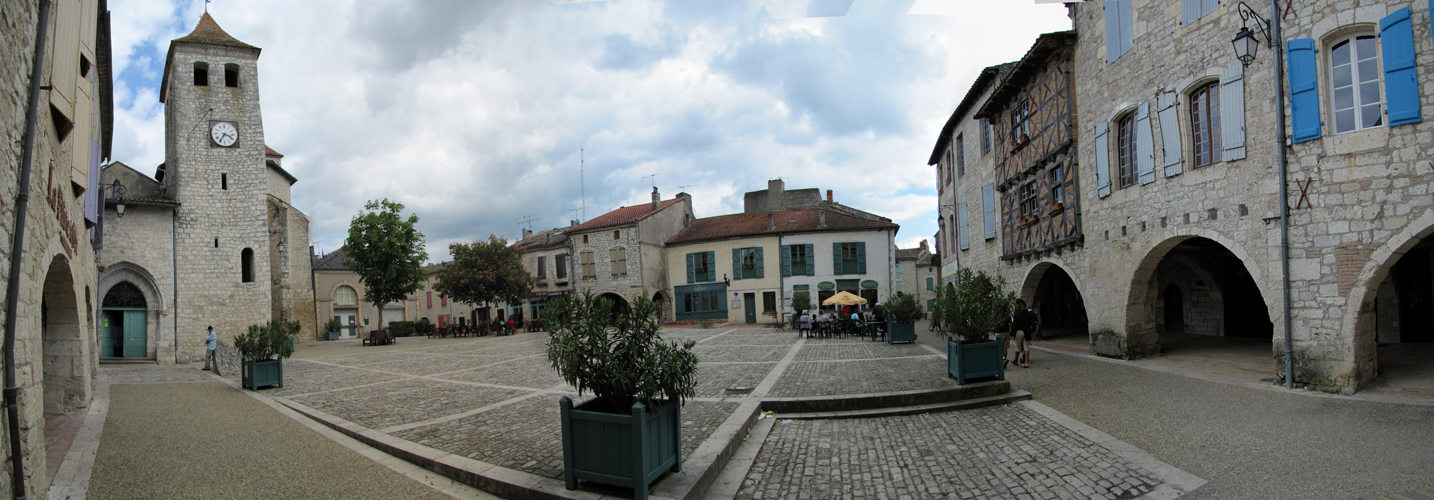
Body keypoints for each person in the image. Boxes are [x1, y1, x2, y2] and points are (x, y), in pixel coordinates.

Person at [1008, 299, 1039, 368]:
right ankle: (1026, 363)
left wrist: (1012, 332)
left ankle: (1016, 360)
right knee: (1026, 347)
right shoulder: (1027, 312)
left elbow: (1015, 323)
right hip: (1027, 331)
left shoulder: (1017, 312)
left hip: (1019, 331)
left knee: (1017, 347)